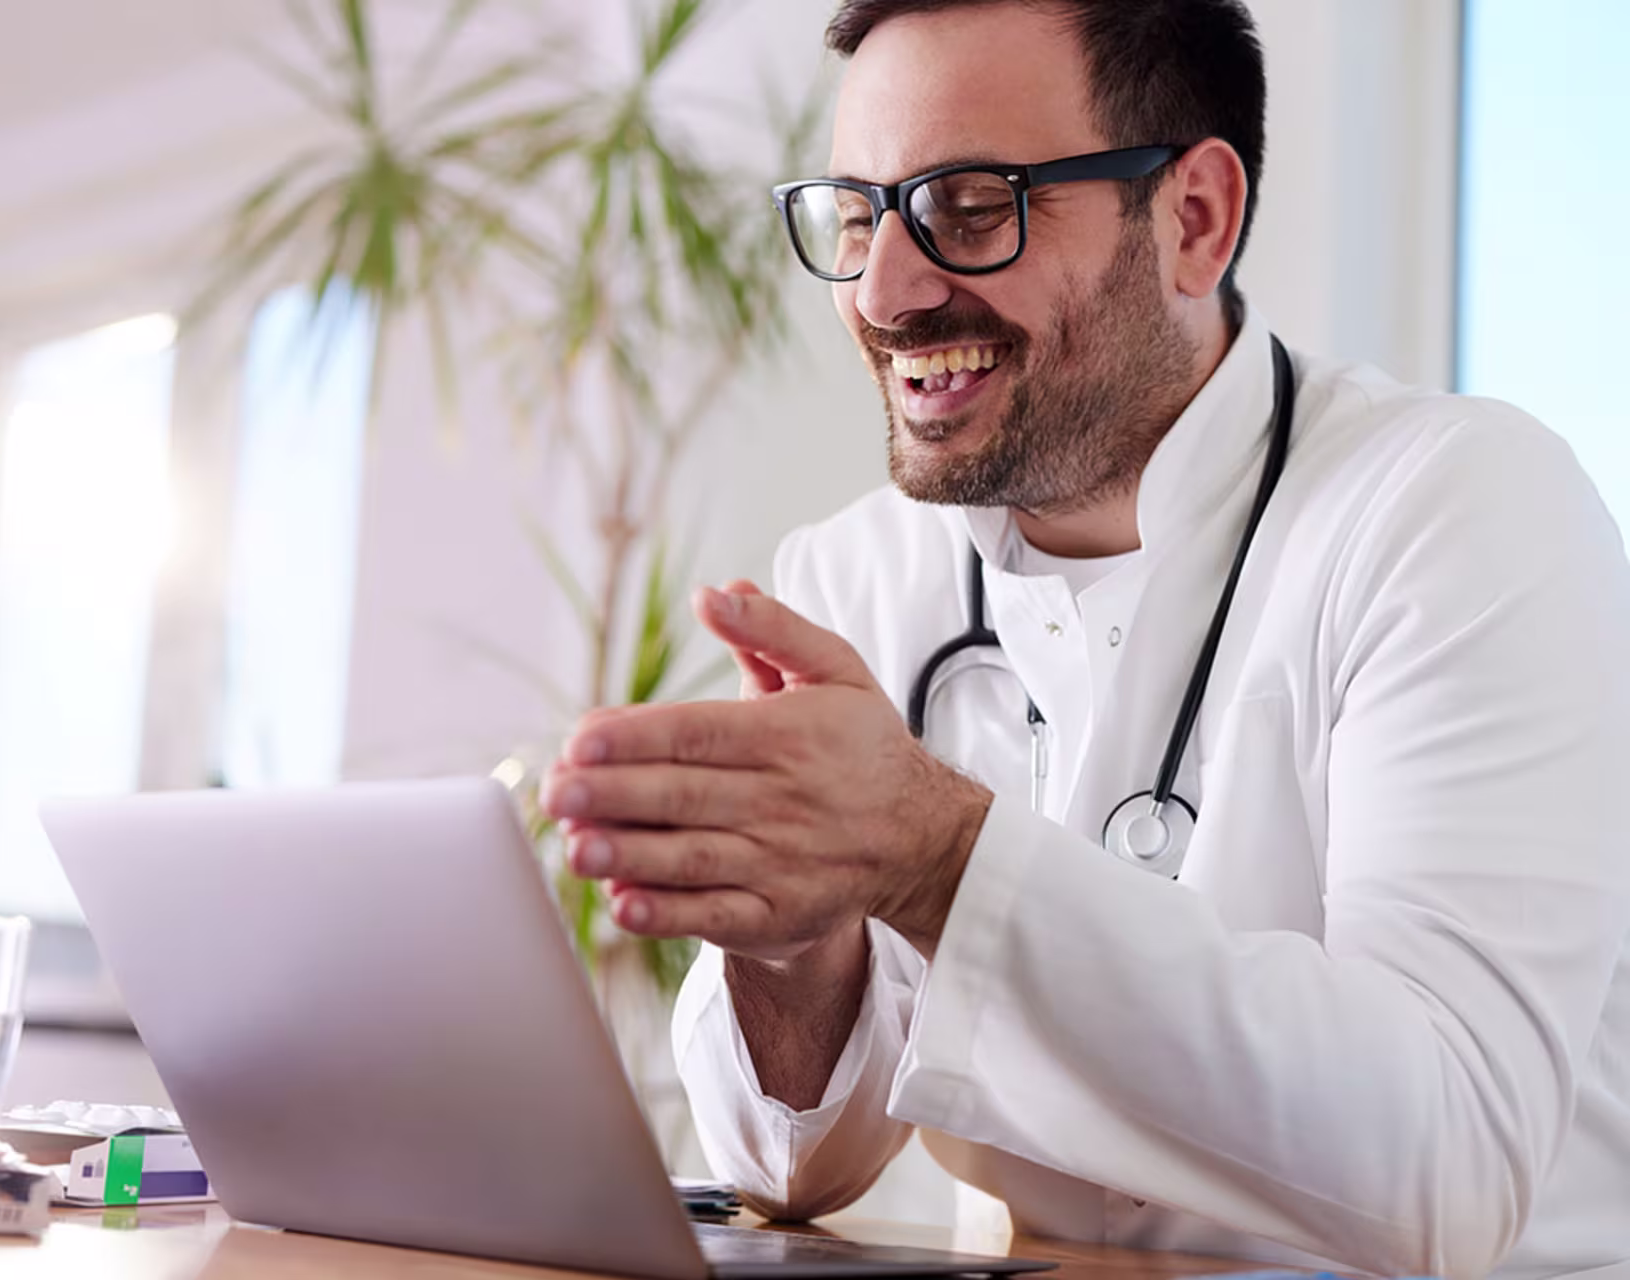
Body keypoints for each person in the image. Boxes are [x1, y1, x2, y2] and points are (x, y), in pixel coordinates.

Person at [538, 1, 1630, 1276]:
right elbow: (790, 1171)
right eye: (855, 212)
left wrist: (937, 856)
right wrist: (791, 935)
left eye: (971, 206)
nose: (885, 292)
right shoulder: (860, 567)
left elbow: (1451, 1165)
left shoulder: (1456, 508)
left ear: (1194, 220)